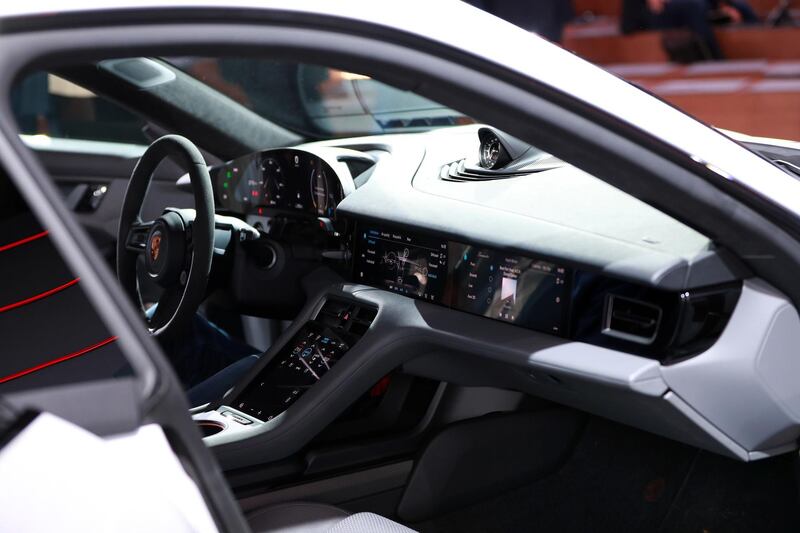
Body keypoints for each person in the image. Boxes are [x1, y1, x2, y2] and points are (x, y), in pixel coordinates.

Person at [621, 0, 759, 60]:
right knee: (695, 6)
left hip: (683, 8)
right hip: (647, 13)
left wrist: (725, 5)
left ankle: (760, 50)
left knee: (740, 6)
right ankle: (712, 58)